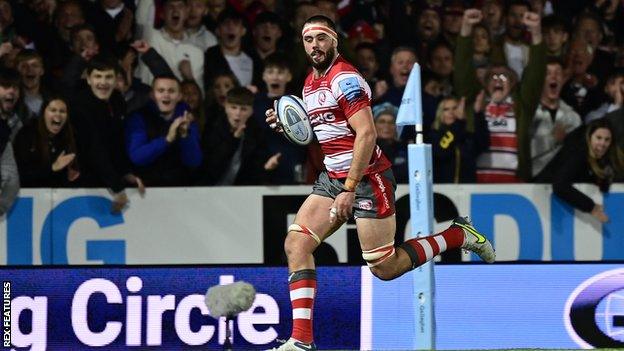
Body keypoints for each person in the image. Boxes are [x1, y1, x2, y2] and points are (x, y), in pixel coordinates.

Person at [264, 15, 495, 351]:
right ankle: (301, 341)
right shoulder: (310, 83)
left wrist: (350, 188)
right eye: (308, 40)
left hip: (368, 179)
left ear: (335, 41)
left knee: (384, 268)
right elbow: (328, 133)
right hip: (333, 176)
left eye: (321, 38)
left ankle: (459, 235)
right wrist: (289, 125)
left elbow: (367, 133)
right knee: (296, 245)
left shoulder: (344, 79)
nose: (315, 46)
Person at [70, 56, 144, 213]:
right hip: (83, 180)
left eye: (108, 77)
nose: (103, 83)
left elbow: (117, 141)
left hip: (108, 175)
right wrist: (117, 187)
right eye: (98, 76)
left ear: (116, 79)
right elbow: (93, 148)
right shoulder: (80, 105)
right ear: (88, 79)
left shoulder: (117, 100)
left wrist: (125, 172)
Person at [125, 75, 202, 186]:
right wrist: (167, 140)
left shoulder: (187, 118)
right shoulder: (138, 118)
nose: (166, 95)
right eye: (161, 90)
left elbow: (194, 162)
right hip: (146, 189)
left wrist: (185, 135)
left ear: (179, 96)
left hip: (179, 189)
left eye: (171, 91)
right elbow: (137, 157)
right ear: (152, 95)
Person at [546, 119, 624, 223]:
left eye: (607, 139)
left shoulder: (608, 157)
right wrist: (592, 207)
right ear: (589, 137)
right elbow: (559, 185)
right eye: (598, 138)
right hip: (547, 202)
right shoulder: (579, 153)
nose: (602, 143)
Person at [13, 97, 81, 187]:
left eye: (62, 111)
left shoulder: (71, 136)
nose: (58, 114)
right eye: (53, 110)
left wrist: (71, 176)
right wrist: (52, 168)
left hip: (61, 196)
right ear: (43, 113)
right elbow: (19, 173)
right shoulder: (27, 134)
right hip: (30, 194)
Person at [430, 95, 489, 183]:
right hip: (443, 190)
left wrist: (478, 114)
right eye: (446, 109)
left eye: (455, 108)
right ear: (440, 114)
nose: (451, 112)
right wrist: (459, 122)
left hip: (467, 190)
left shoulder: (467, 137)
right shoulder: (434, 135)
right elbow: (442, 150)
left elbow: (483, 143)